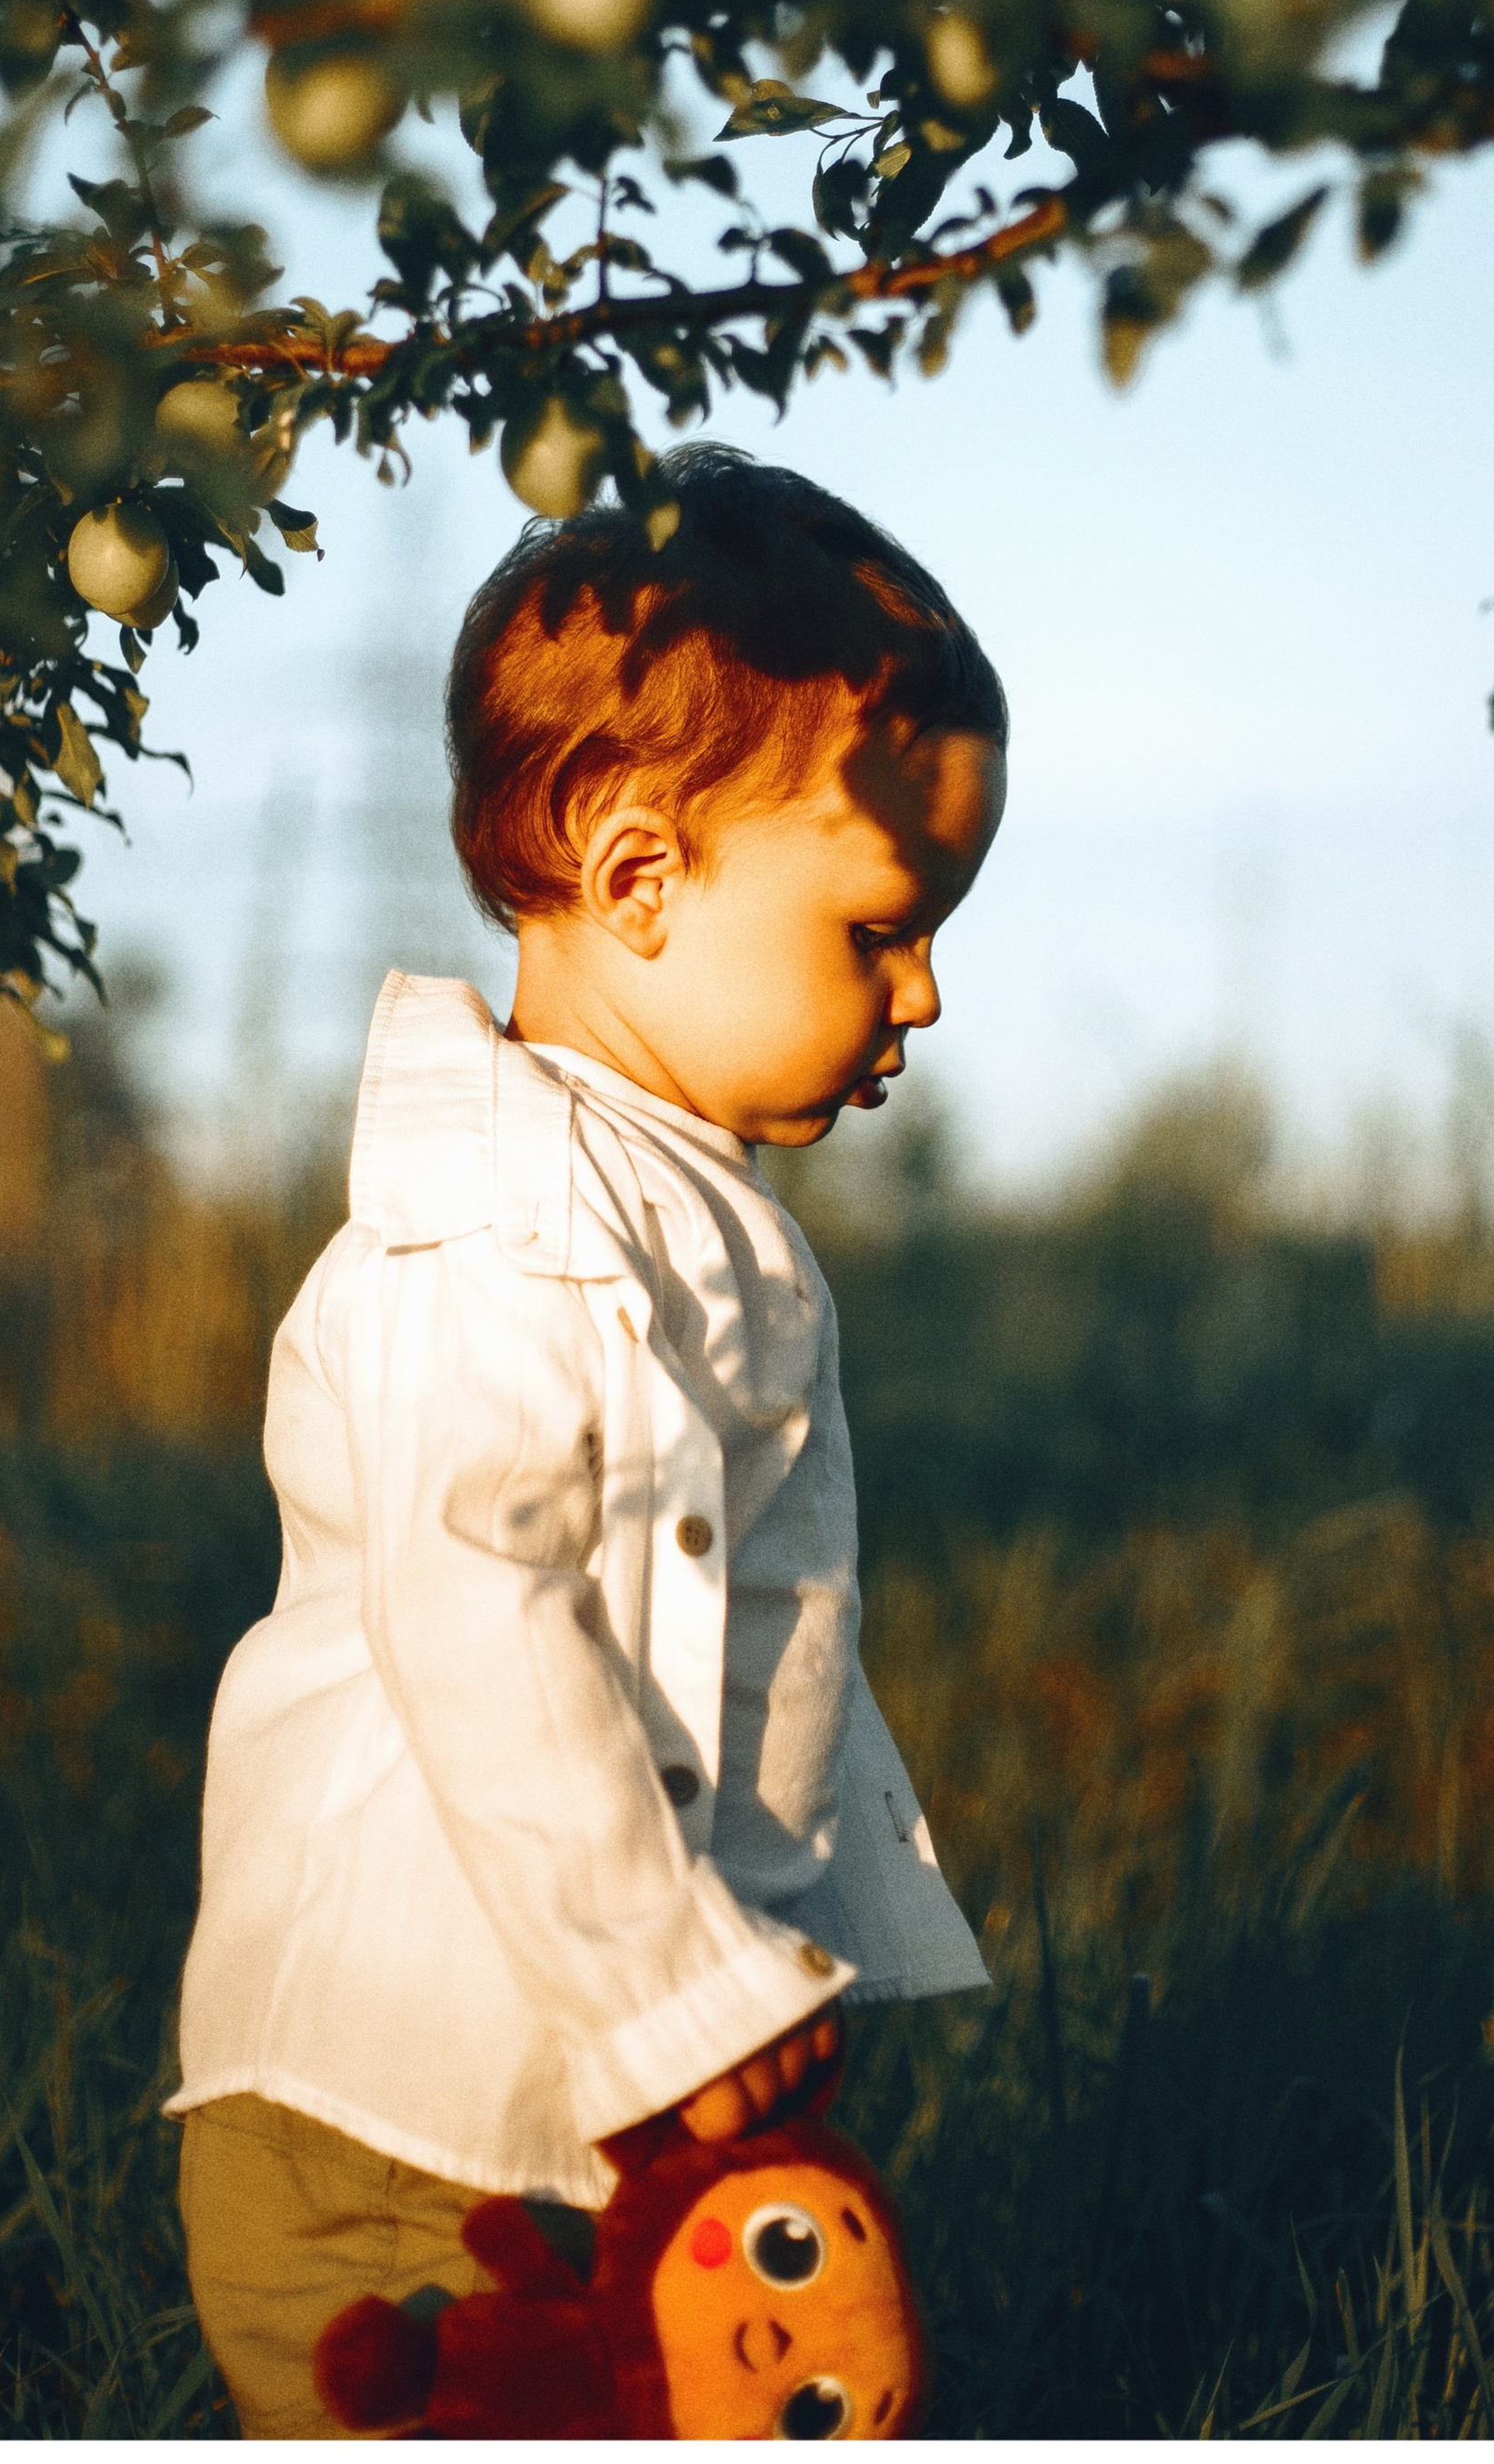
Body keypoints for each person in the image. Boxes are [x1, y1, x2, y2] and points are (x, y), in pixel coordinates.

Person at [167, 446, 1008, 2437]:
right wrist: (670, 1999)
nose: (926, 990)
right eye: (883, 923)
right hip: (412, 2109)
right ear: (637, 874)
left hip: (588, 2083)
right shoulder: (491, 1232)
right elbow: (483, 1631)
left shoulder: (668, 1204)